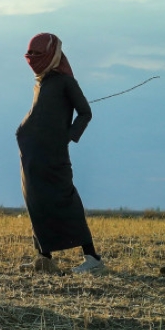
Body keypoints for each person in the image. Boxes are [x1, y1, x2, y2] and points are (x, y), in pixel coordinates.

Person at [17, 33, 103, 274]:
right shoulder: (41, 83)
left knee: (65, 201)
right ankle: (44, 258)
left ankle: (93, 258)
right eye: (30, 53)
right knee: (36, 202)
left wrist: (67, 136)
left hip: (53, 156)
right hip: (33, 156)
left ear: (52, 54)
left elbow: (85, 113)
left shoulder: (66, 83)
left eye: (38, 53)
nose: (32, 58)